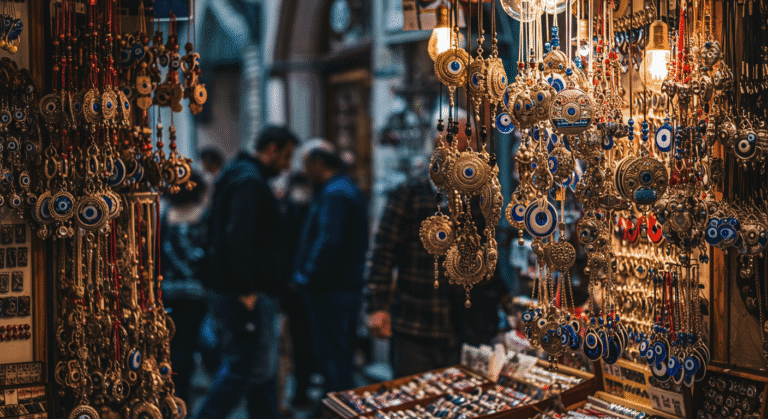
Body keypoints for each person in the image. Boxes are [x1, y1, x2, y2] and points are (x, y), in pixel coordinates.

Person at [365, 116, 511, 378]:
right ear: (437, 146)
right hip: (416, 324)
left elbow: (486, 257)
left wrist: (505, 300)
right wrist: (376, 306)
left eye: (469, 147)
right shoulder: (409, 193)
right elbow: (382, 253)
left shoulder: (478, 199)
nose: (461, 153)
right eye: (453, 144)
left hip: (465, 326)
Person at [196, 126, 297, 419]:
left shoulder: (239, 174)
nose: (288, 166)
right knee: (247, 367)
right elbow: (238, 238)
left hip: (241, 288)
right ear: (271, 150)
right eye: (286, 157)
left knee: (262, 369)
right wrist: (247, 289)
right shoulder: (249, 181)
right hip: (244, 291)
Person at [294, 148, 368, 397]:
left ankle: (339, 409)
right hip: (339, 287)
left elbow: (329, 242)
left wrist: (308, 278)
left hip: (332, 289)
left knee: (334, 359)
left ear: (318, 163)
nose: (303, 172)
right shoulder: (341, 190)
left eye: (306, 165)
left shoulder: (336, 194)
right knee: (336, 356)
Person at [278, 140, 335, 408]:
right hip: (299, 281)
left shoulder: (308, 197)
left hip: (301, 280)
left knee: (304, 339)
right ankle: (305, 390)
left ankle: (305, 390)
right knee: (304, 339)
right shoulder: (308, 197)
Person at [160, 172, 207, 404]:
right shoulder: (203, 215)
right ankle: (181, 394)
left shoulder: (166, 215)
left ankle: (172, 392)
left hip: (168, 289)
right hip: (194, 291)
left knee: (172, 344)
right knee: (186, 345)